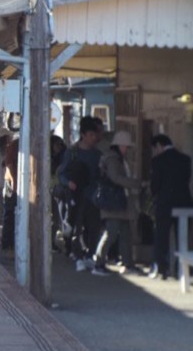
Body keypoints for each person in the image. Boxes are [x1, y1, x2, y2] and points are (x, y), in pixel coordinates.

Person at [91, 131, 142, 276]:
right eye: (125, 146)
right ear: (119, 145)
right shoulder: (113, 159)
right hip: (114, 201)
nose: (127, 149)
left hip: (119, 202)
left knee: (125, 233)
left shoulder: (115, 157)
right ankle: (98, 263)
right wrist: (136, 184)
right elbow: (116, 178)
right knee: (111, 232)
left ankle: (128, 264)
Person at [57, 116, 103, 271]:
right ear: (83, 134)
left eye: (95, 135)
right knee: (77, 226)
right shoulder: (72, 152)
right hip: (76, 196)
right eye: (91, 135)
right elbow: (61, 173)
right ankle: (78, 255)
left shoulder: (97, 154)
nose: (94, 138)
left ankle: (90, 255)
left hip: (92, 196)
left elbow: (100, 175)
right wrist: (68, 183)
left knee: (94, 226)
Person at [148, 134, 193, 279]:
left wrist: (153, 193)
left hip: (165, 203)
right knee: (183, 237)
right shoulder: (185, 159)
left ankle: (162, 269)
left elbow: (155, 185)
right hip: (184, 202)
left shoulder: (157, 161)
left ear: (159, 146)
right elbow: (186, 179)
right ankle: (183, 270)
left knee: (162, 236)